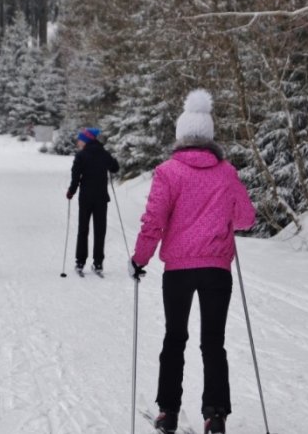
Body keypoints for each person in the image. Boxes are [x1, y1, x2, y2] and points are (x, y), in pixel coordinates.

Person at [128, 90, 256, 434]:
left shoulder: (168, 171)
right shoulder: (226, 172)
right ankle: (215, 415)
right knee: (213, 341)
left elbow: (153, 220)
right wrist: (224, 217)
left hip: (179, 272)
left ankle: (168, 412)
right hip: (216, 269)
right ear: (210, 137)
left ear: (181, 136)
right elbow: (246, 218)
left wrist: (139, 259)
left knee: (175, 338)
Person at [66, 127, 120, 275]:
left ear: (86, 140)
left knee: (83, 229)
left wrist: (71, 192)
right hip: (101, 198)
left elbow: (75, 177)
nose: (78, 142)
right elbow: (115, 168)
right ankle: (98, 264)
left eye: (80, 139)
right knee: (100, 231)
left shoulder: (81, 156)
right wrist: (111, 159)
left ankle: (80, 262)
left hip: (86, 199)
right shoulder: (104, 154)